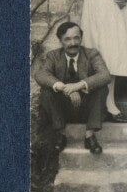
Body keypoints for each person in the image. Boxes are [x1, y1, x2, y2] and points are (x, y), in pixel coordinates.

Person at [34, 22, 110, 154]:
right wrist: (64, 88)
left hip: (87, 109)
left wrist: (78, 85)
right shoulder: (53, 56)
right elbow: (40, 74)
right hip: (62, 111)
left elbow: (105, 75)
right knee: (46, 91)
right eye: (67, 39)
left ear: (81, 38)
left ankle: (90, 135)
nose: (73, 43)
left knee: (102, 88)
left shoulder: (92, 54)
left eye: (76, 38)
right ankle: (61, 134)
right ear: (60, 41)